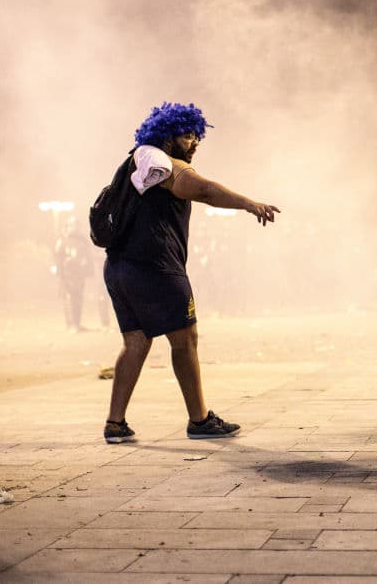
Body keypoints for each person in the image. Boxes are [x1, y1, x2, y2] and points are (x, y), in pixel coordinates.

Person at [101, 102, 280, 444]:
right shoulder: (164, 164)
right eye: (187, 136)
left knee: (136, 341)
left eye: (197, 136)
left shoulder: (133, 163)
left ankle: (115, 423)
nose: (195, 142)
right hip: (155, 267)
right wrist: (248, 203)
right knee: (185, 339)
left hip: (119, 267)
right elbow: (204, 191)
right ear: (166, 137)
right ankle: (199, 420)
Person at [53, 216, 93, 332]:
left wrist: (88, 270)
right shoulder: (62, 240)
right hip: (67, 275)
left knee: (79, 299)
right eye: (72, 225)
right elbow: (58, 259)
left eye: (77, 225)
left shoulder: (83, 240)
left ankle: (77, 323)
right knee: (69, 299)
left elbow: (87, 256)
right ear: (67, 227)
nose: (75, 228)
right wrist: (61, 276)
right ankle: (71, 324)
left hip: (79, 275)